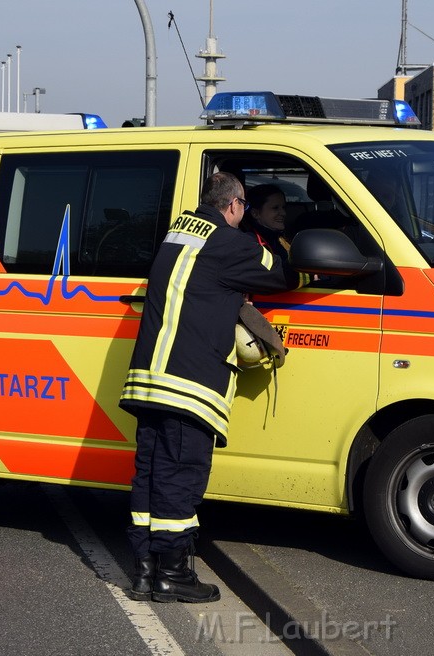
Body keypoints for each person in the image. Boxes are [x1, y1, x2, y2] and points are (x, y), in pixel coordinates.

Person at [119, 171, 302, 604]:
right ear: (236, 206)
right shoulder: (231, 243)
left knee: (150, 475)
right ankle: (174, 573)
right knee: (180, 478)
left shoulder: (178, 231)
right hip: (189, 382)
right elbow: (283, 276)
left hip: (150, 380)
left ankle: (145, 569)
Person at [241, 183, 290, 253]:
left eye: (283, 207)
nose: (283, 213)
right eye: (275, 208)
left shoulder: (280, 239)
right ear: (255, 213)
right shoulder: (250, 244)